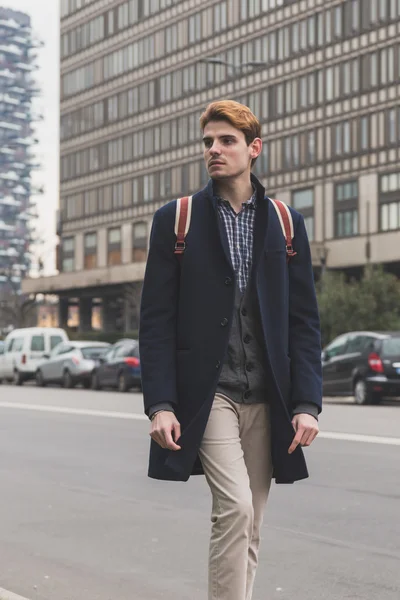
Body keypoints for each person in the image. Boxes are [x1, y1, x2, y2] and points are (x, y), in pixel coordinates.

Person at [139, 100, 322, 600]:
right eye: (207, 142)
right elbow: (155, 321)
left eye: (226, 141)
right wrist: (159, 403)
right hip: (210, 392)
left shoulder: (286, 224)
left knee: (252, 523)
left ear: (253, 149)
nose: (213, 151)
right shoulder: (176, 220)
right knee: (236, 508)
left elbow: (304, 322)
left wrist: (307, 403)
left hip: (268, 394)